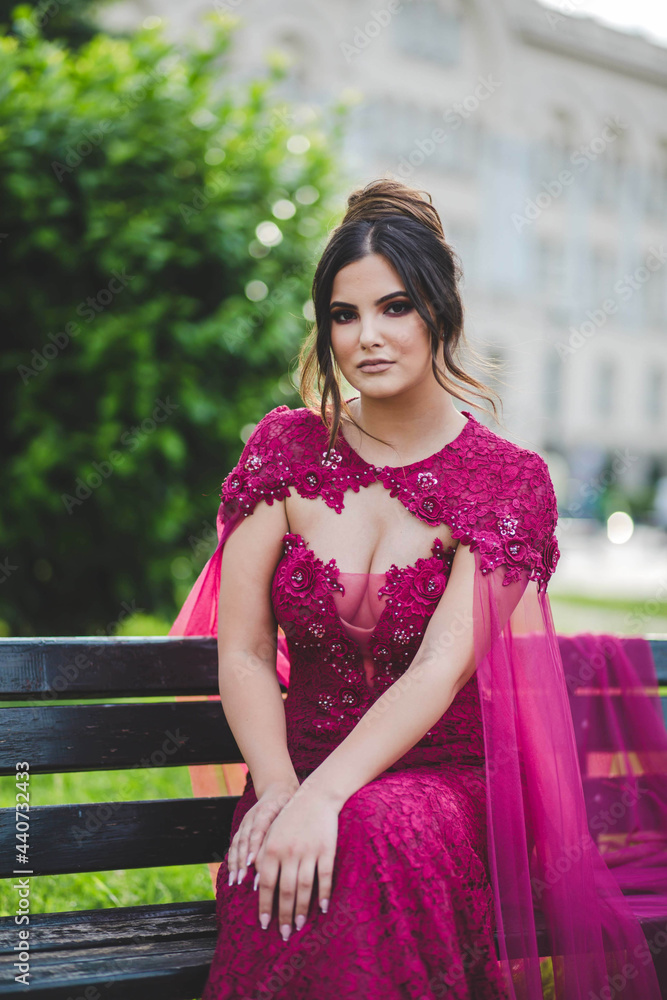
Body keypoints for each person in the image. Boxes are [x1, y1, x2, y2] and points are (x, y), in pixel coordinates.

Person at [169, 178, 663, 1000]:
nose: (367, 336)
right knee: (298, 852)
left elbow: (439, 668)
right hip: (296, 768)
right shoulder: (285, 450)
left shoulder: (509, 482)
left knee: (370, 831)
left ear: (441, 313)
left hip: (443, 785)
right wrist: (286, 789)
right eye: (343, 314)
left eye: (394, 308)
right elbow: (249, 649)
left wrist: (326, 797)